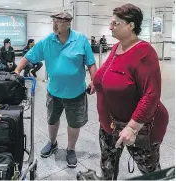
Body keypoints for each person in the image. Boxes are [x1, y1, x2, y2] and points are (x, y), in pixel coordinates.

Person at [93, 4, 169, 179]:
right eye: (111, 23)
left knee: (151, 173)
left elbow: (151, 95)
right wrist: (95, 84)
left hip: (137, 129)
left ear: (131, 25)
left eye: (116, 23)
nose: (111, 27)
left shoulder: (144, 52)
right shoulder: (117, 47)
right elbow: (105, 71)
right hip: (109, 124)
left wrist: (132, 128)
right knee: (107, 166)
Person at [15, 12, 97, 168]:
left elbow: (91, 63)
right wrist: (18, 70)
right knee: (52, 120)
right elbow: (30, 55)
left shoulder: (80, 40)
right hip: (54, 92)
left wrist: (94, 80)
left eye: (58, 22)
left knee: (74, 124)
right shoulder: (48, 41)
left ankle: (71, 149)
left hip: (76, 93)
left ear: (68, 24)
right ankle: (52, 143)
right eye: (54, 21)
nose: (54, 24)